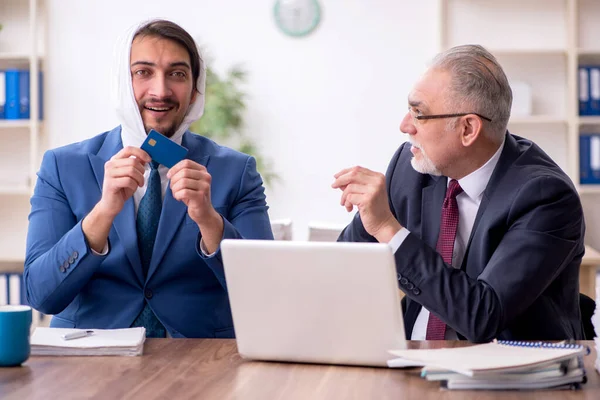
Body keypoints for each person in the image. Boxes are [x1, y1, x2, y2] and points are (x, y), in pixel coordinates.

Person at [24, 19, 273, 338]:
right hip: (89, 360)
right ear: (121, 83)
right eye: (143, 72)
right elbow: (40, 295)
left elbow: (264, 293)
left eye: (177, 74)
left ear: (196, 88)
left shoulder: (236, 171)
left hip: (201, 360)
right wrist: (103, 212)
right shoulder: (62, 166)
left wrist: (208, 220)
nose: (161, 91)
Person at [332, 44, 585, 342]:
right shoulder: (410, 165)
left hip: (509, 376)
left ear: (468, 129)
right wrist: (368, 217)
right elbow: (345, 269)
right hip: (411, 358)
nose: (404, 126)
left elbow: (482, 316)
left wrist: (389, 229)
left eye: (418, 113)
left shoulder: (546, 197)